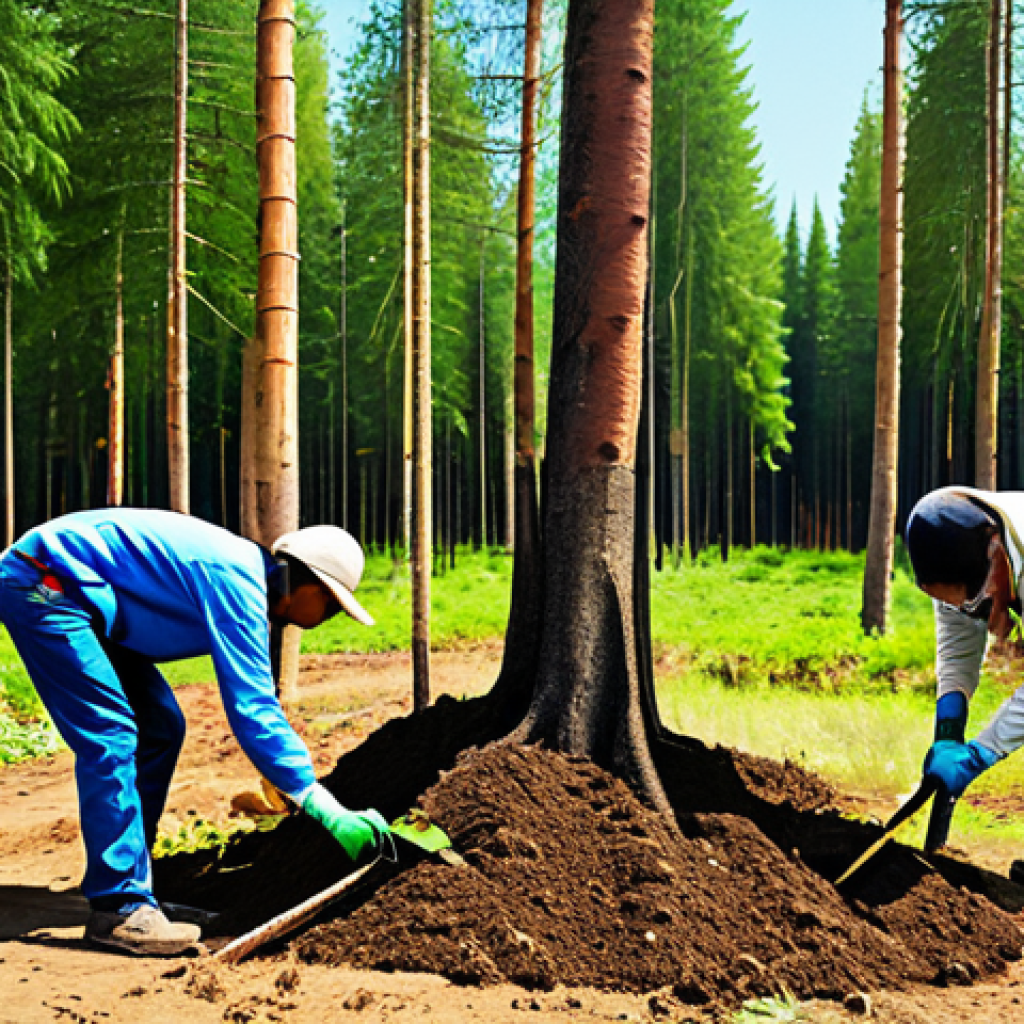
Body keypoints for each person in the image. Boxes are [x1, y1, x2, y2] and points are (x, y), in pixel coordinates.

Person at [0, 508, 392, 955]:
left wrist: (284, 772)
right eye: (331, 605)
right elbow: (252, 706)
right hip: (48, 585)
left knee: (160, 727)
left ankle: (131, 880)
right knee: (111, 735)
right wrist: (319, 801)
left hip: (86, 599)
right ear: (307, 585)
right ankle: (120, 907)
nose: (329, 618)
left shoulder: (243, 579)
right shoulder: (237, 581)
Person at [905, 486, 1024, 862]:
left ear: (997, 552)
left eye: (973, 603)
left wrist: (979, 753)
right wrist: (948, 729)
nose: (970, 612)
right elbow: (958, 648)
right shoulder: (962, 566)